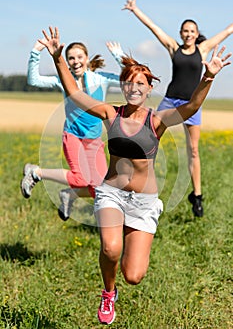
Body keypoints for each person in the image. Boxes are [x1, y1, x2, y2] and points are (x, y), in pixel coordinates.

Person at [39, 26, 231, 325]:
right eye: (129, 83)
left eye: (141, 83)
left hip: (143, 202)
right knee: (110, 248)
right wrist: (56, 58)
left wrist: (208, 76)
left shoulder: (157, 120)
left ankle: (122, 280)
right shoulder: (110, 113)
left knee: (134, 275)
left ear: (148, 88)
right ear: (122, 87)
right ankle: (107, 292)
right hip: (112, 193)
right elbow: (75, 93)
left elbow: (192, 106)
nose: (134, 88)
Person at [123, 0, 233, 217]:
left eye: (192, 31)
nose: (188, 34)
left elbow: (227, 31)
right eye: (185, 31)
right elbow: (153, 27)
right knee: (149, 140)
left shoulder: (203, 49)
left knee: (193, 150)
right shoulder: (174, 47)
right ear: (181, 33)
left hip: (192, 104)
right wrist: (135, 10)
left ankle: (197, 196)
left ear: (196, 33)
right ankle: (140, 186)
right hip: (171, 100)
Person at [20, 38, 124, 221]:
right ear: (66, 61)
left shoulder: (100, 79)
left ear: (86, 58)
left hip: (94, 140)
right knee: (80, 178)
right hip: (73, 135)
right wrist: (35, 53)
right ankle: (36, 172)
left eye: (79, 57)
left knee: (99, 188)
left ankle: (69, 195)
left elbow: (128, 78)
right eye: (71, 58)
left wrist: (119, 56)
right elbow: (33, 80)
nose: (76, 62)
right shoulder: (63, 80)